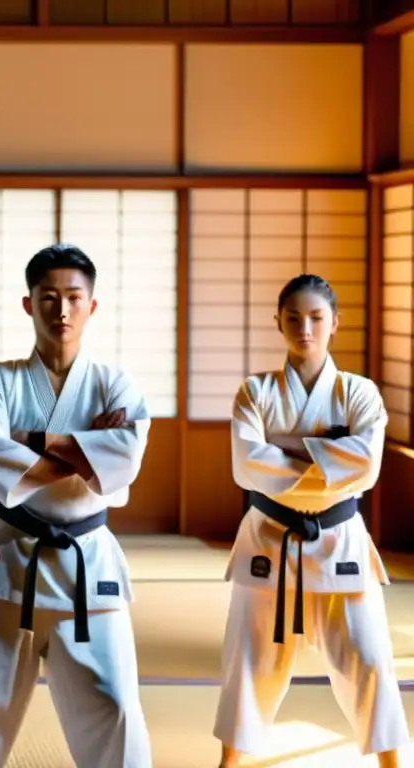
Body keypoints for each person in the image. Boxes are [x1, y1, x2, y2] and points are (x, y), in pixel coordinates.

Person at [0, 244, 153, 768]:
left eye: (74, 297)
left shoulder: (114, 385)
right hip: (9, 555)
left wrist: (28, 442)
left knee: (116, 706)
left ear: (91, 306)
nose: (62, 310)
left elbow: (123, 460)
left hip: (87, 561)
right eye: (48, 297)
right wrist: (82, 450)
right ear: (28, 304)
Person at [214, 274, 409, 768]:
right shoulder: (255, 391)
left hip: (339, 540)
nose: (305, 328)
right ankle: (228, 764)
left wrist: (286, 449)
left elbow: (365, 465)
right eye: (294, 317)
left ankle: (392, 763)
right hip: (268, 541)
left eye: (317, 318)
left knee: (369, 661)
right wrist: (327, 456)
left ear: (334, 324)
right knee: (248, 666)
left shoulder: (359, 393)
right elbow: (247, 465)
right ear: (278, 322)